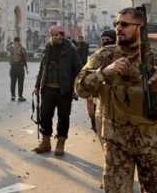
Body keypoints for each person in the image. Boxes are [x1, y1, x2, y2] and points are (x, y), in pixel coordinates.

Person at [75, 8, 157, 193]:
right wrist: (104, 73)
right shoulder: (104, 56)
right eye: (117, 24)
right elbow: (80, 88)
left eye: (124, 24)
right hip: (116, 143)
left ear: (139, 28)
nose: (118, 28)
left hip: (151, 142)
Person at [33, 25, 82, 156]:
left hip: (64, 91)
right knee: (45, 116)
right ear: (51, 36)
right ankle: (46, 142)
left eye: (61, 34)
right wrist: (37, 86)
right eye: (55, 35)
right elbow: (42, 69)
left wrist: (76, 88)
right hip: (47, 89)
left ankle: (60, 143)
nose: (58, 37)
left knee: (63, 117)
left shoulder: (70, 50)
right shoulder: (48, 48)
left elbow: (79, 70)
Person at [86, 30, 117, 133]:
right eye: (103, 40)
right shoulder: (97, 55)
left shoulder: (118, 54)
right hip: (97, 91)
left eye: (108, 40)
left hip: (113, 93)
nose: (105, 42)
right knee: (93, 112)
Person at [7, 37, 28, 102]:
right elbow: (26, 58)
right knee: (20, 83)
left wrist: (10, 43)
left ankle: (13, 96)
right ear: (19, 41)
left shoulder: (11, 48)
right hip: (20, 68)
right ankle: (20, 96)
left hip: (14, 67)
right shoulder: (22, 49)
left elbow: (7, 47)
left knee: (13, 82)